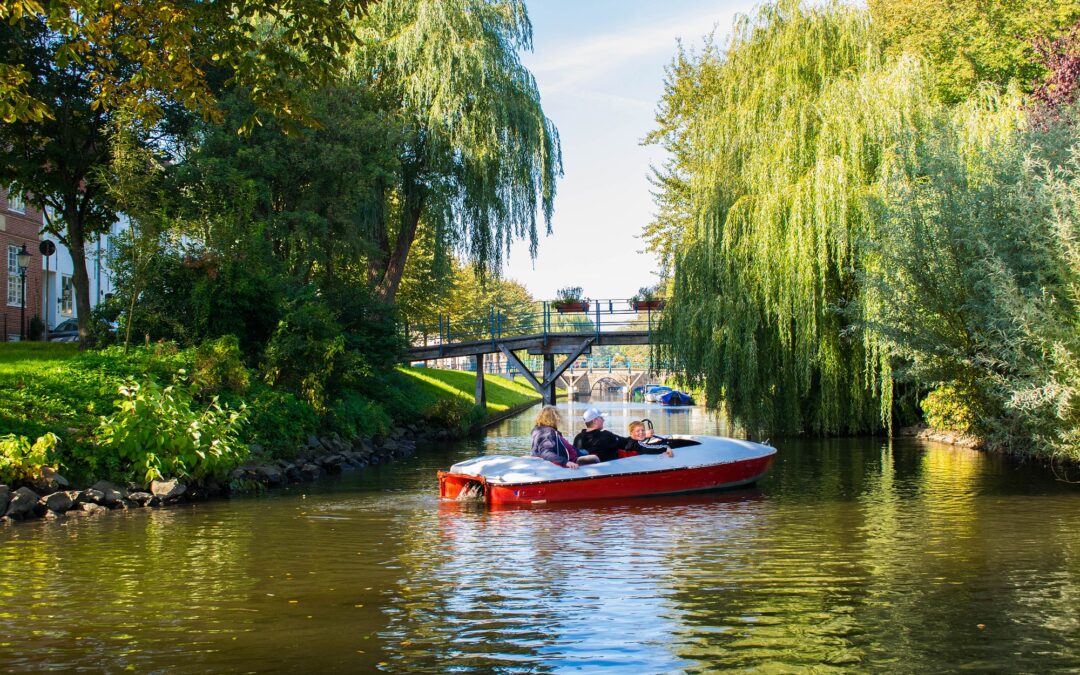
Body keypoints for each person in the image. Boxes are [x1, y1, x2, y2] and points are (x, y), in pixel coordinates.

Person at [530, 406, 599, 468]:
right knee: (595, 458)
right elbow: (545, 452)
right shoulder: (548, 433)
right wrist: (565, 462)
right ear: (554, 419)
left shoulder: (539, 430)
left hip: (572, 453)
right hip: (570, 459)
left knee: (586, 452)